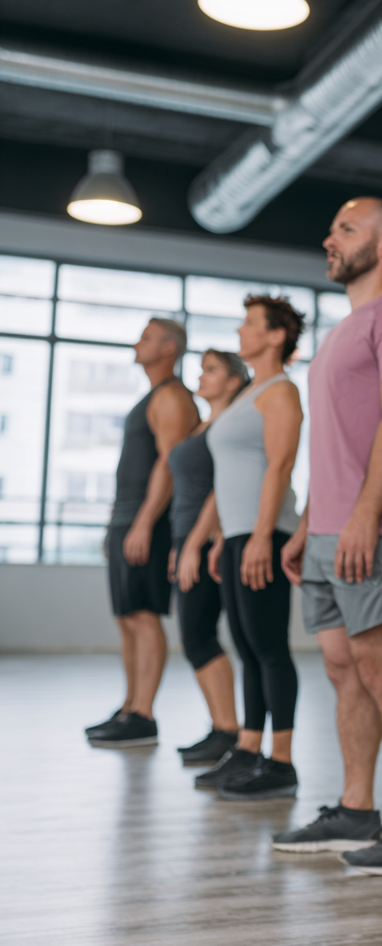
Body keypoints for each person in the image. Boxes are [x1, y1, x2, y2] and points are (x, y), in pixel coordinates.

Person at [274, 197, 382, 868]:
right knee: (344, 670)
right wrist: (310, 520)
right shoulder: (342, 331)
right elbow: (337, 440)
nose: (330, 238)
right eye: (333, 227)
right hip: (327, 530)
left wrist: (367, 517)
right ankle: (354, 808)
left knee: (380, 667)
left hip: (368, 529)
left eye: (346, 229)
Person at [198, 296, 305, 800]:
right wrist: (224, 536)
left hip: (267, 531)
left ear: (276, 335)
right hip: (239, 533)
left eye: (249, 324)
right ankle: (248, 747)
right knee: (244, 645)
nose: (241, 332)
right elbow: (230, 476)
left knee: (268, 647)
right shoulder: (248, 393)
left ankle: (280, 761)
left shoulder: (281, 391)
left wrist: (263, 535)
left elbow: (280, 467)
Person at [86, 318, 199, 748]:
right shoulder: (152, 396)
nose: (138, 343)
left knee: (144, 616)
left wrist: (144, 523)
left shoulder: (172, 397)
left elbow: (168, 464)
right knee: (127, 617)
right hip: (128, 519)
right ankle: (130, 705)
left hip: (146, 522)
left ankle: (145, 714)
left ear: (170, 348)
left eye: (147, 337)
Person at [168, 350, 251, 765]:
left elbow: (223, 488)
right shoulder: (204, 426)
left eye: (212, 370)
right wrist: (177, 545)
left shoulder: (228, 427)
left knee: (200, 634)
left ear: (234, 381)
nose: (201, 376)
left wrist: (196, 544)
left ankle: (228, 729)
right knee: (194, 636)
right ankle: (221, 726)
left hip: (208, 539)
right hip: (186, 538)